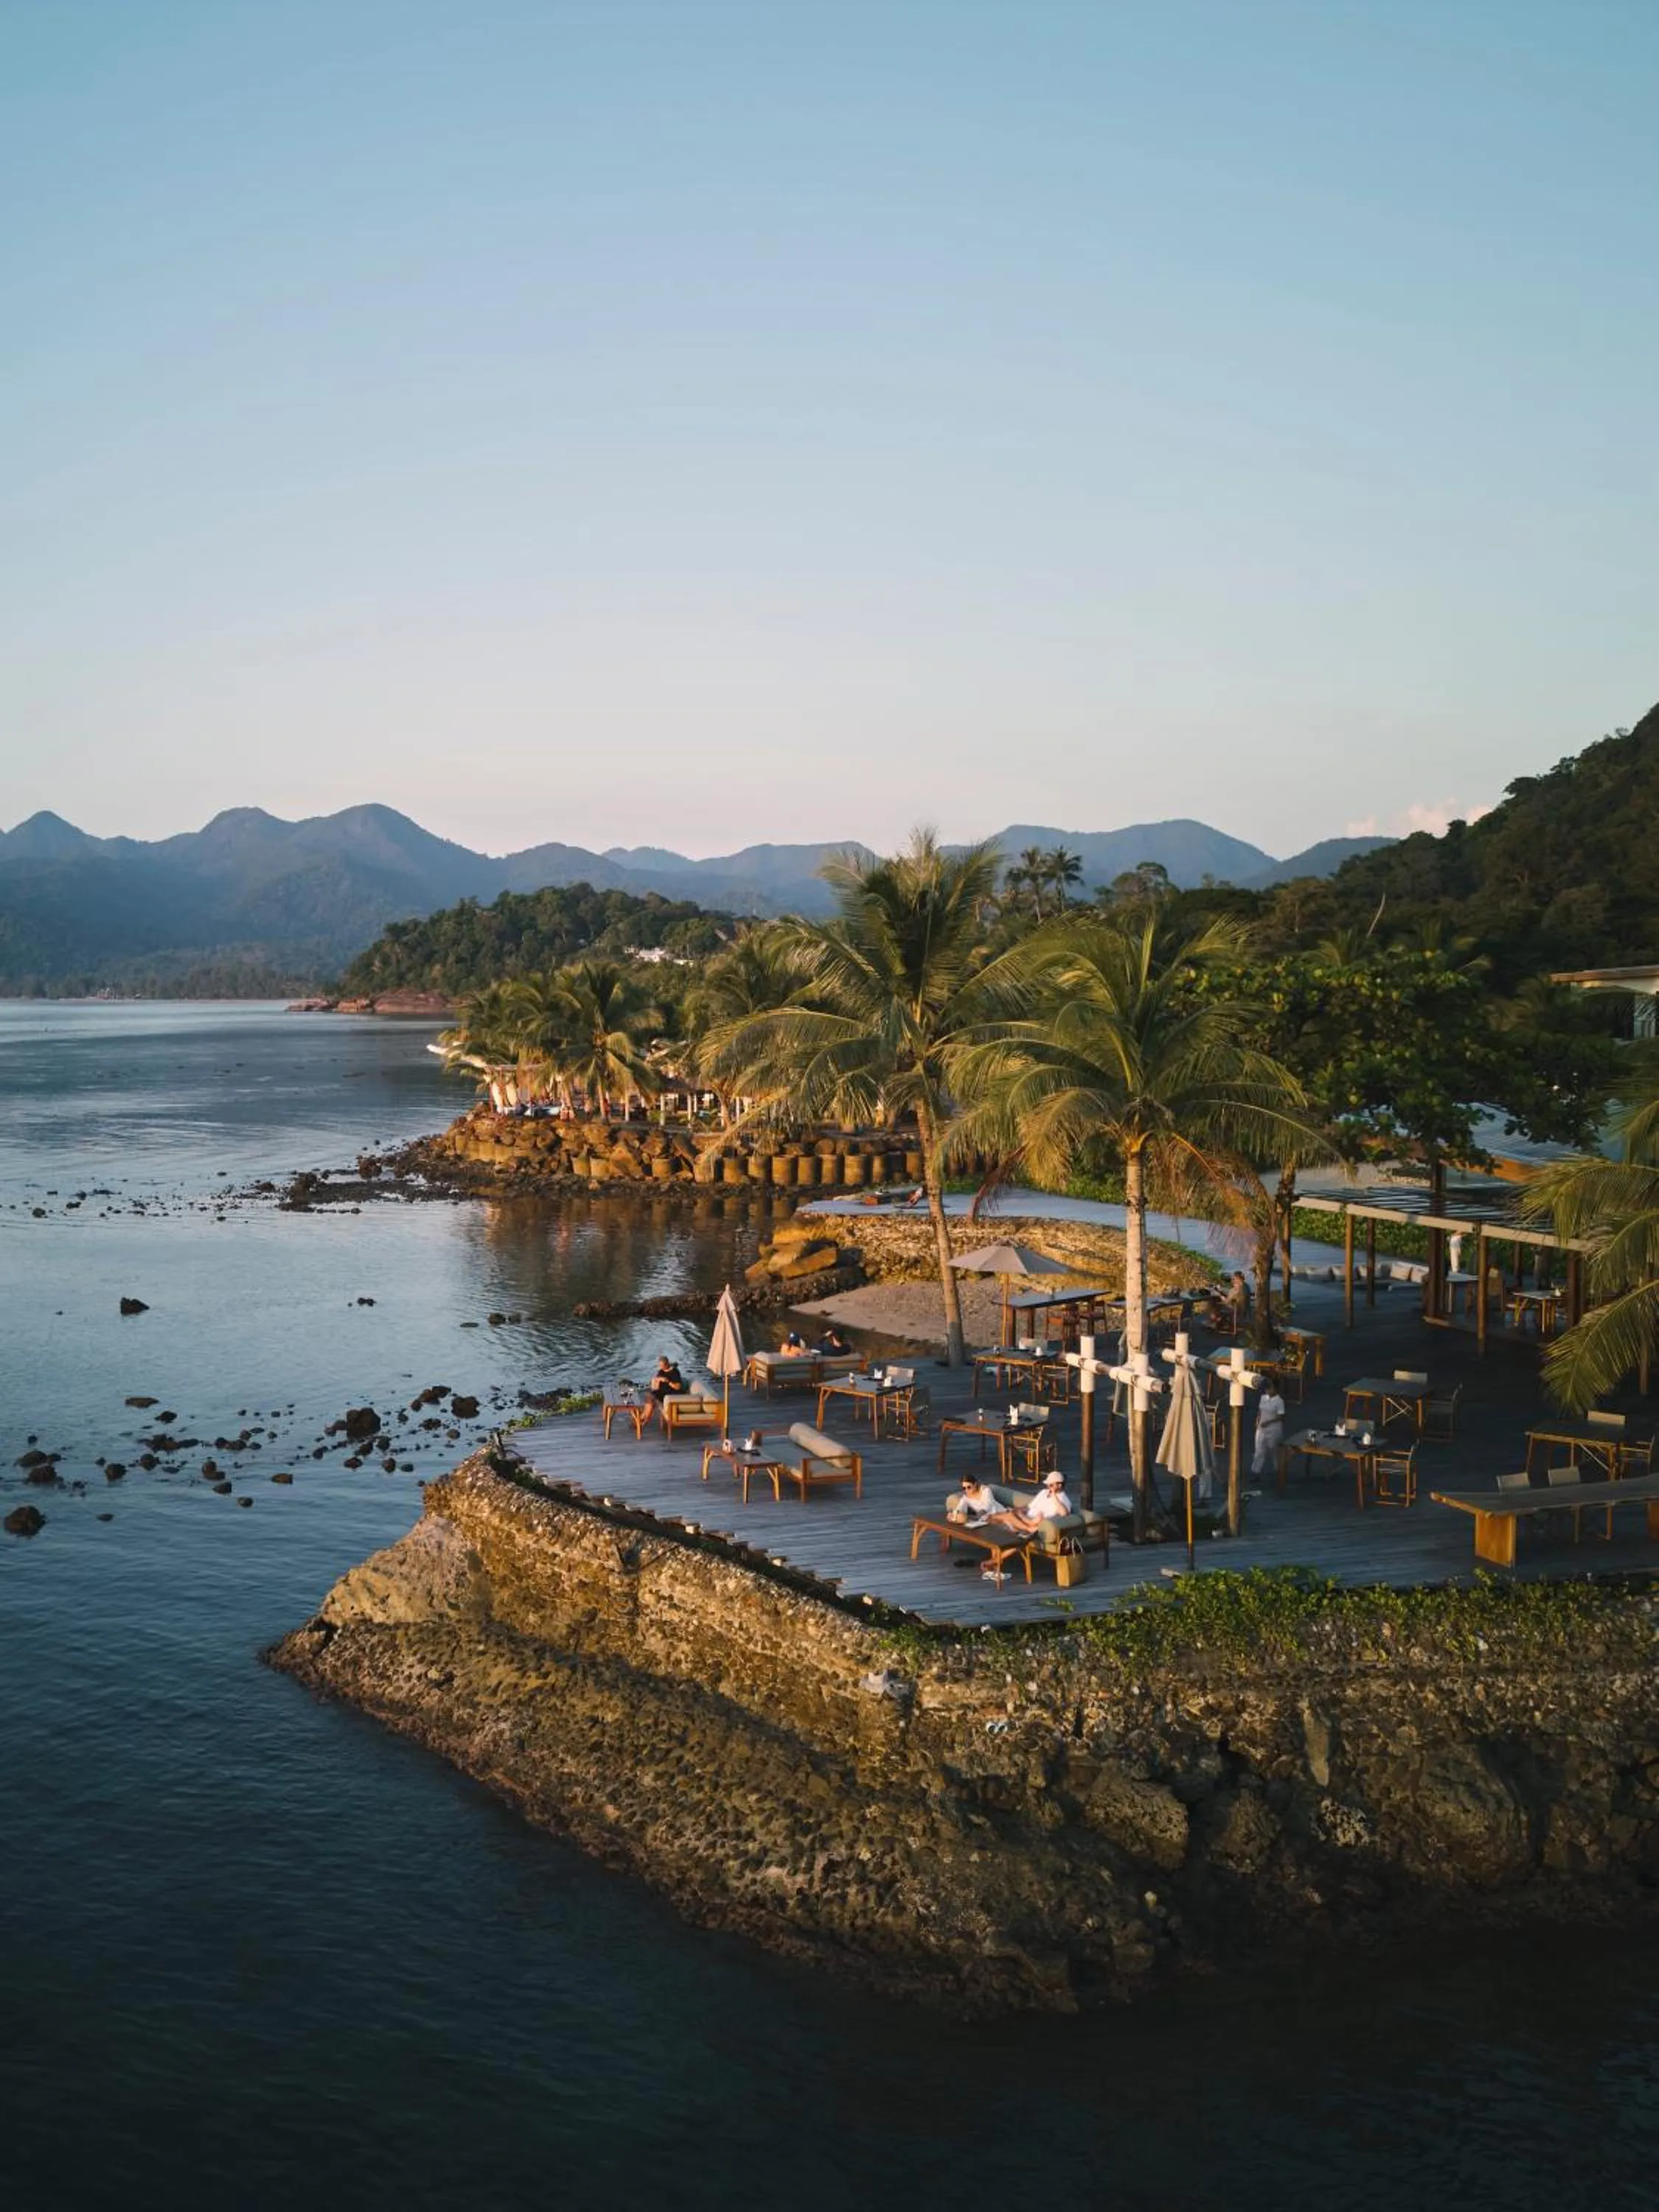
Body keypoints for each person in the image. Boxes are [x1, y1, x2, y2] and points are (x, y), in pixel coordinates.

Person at [1251, 1379, 1286, 1477]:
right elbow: (1260, 1410)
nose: (1268, 1391)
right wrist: (1257, 1420)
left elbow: (1281, 1416)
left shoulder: (1279, 1401)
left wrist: (1268, 1422)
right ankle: (1256, 1472)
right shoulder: (1263, 1398)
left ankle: (1279, 1472)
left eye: (1270, 1389)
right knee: (1259, 1451)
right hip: (1261, 1428)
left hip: (1273, 1430)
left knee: (1274, 1451)